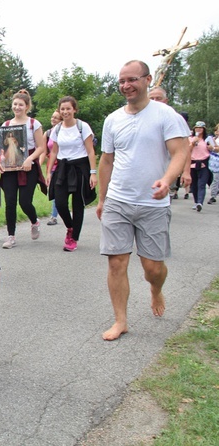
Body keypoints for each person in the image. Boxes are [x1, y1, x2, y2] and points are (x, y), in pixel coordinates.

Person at [97, 60, 190, 341]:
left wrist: (167, 180)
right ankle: (121, 321)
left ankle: (156, 288)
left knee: (153, 268)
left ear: (147, 80)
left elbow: (180, 152)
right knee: (116, 263)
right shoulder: (113, 119)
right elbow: (106, 161)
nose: (126, 85)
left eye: (132, 80)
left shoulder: (166, 115)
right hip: (118, 201)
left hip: (153, 203)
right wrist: (102, 199)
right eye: (122, 81)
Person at [46, 96, 97, 252]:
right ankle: (70, 227)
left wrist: (93, 173)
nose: (65, 111)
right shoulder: (57, 129)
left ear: (74, 109)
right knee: (60, 203)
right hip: (63, 167)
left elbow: (90, 150)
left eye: (68, 108)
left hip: (80, 167)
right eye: (62, 109)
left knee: (77, 205)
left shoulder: (83, 126)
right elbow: (54, 151)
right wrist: (49, 172)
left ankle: (73, 238)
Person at [0, 89, 47, 249]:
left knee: (25, 202)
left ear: (27, 106)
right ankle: (11, 236)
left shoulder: (34, 124)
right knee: (10, 201)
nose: (17, 107)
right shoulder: (6, 125)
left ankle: (34, 221)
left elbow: (41, 147)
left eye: (21, 104)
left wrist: (30, 159)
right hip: (10, 167)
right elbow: (1, 149)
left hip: (28, 166)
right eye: (15, 104)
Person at [147, 86, 192, 199]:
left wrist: (186, 172)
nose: (155, 101)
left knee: (162, 201)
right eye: (152, 98)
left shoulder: (175, 119)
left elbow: (185, 149)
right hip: (146, 171)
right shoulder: (140, 117)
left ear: (166, 101)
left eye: (158, 98)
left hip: (168, 170)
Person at [188, 121, 213, 211]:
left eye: (201, 128)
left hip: (204, 164)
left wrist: (212, 148)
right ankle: (196, 201)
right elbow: (187, 150)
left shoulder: (208, 139)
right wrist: (193, 143)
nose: (198, 129)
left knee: (201, 184)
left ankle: (200, 202)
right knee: (194, 184)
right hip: (193, 164)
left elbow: (216, 148)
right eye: (197, 127)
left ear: (204, 129)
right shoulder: (190, 138)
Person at [44, 110, 62, 225]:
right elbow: (42, 151)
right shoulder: (48, 133)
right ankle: (54, 216)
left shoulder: (65, 132)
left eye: (56, 118)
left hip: (65, 165)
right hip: (52, 166)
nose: (53, 119)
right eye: (52, 117)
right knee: (55, 191)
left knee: (66, 191)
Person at [208, 123, 219, 204]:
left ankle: (213, 195)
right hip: (215, 161)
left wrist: (214, 148)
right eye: (217, 130)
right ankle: (213, 196)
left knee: (216, 179)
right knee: (215, 178)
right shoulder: (216, 138)